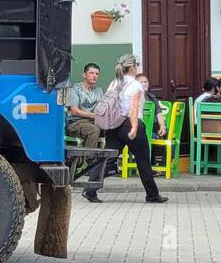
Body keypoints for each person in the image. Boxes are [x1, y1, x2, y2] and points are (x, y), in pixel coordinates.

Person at [103, 53, 168, 204]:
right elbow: (133, 108)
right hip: (131, 125)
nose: (137, 67)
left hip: (114, 125)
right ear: (132, 67)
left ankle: (90, 188)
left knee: (108, 158)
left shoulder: (114, 83)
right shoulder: (135, 85)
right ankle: (152, 195)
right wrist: (134, 127)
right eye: (137, 65)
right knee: (143, 160)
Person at [66, 62, 103, 202]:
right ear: (84, 75)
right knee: (94, 130)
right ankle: (90, 162)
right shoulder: (75, 89)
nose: (94, 76)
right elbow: (74, 110)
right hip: (75, 122)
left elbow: (100, 109)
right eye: (92, 73)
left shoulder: (98, 91)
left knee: (110, 128)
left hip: (92, 121)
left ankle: (109, 164)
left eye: (97, 74)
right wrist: (94, 116)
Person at [134, 72, 168, 138]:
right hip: (142, 127)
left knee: (167, 132)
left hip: (154, 126)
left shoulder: (151, 98)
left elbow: (159, 113)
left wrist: (162, 125)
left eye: (146, 82)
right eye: (141, 82)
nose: (144, 84)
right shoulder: (134, 98)